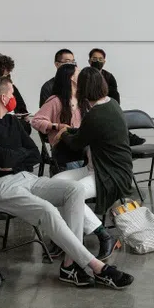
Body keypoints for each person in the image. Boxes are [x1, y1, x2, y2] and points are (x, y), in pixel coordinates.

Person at [0, 75, 134, 288]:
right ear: (3, 97)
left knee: (74, 190)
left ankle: (70, 263)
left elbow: (33, 154)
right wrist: (13, 157)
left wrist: (9, 159)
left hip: (26, 178)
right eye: (12, 93)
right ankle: (96, 266)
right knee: (47, 210)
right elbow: (4, 159)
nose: (15, 97)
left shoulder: (12, 122)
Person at [57, 67, 135, 218]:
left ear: (83, 88)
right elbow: (87, 132)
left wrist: (63, 134)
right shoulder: (111, 103)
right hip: (99, 169)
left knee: (67, 195)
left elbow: (76, 143)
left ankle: (99, 233)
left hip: (109, 175)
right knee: (56, 183)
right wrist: (69, 131)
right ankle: (69, 230)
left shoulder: (95, 113)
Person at [31, 63, 87, 170]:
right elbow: (36, 121)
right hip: (65, 148)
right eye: (78, 73)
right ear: (71, 78)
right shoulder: (55, 101)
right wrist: (57, 126)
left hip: (80, 144)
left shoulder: (83, 100)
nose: (82, 76)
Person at [89, 48, 145, 147]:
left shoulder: (109, 76)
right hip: (89, 106)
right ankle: (128, 137)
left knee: (114, 113)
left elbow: (114, 95)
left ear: (104, 61)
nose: (97, 61)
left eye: (100, 59)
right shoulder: (84, 74)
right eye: (94, 59)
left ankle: (126, 137)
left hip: (106, 107)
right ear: (89, 61)